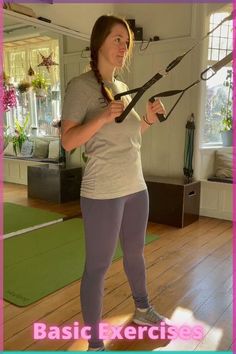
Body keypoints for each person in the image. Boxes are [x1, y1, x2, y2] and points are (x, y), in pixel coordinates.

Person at [61, 15, 166, 351]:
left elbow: (131, 135)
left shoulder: (121, 86)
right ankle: (94, 343)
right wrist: (103, 116)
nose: (123, 46)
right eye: (117, 39)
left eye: (127, 41)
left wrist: (148, 119)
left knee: (135, 254)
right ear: (99, 42)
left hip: (135, 186)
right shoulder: (80, 87)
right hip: (102, 192)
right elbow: (68, 141)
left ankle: (142, 308)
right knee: (98, 267)